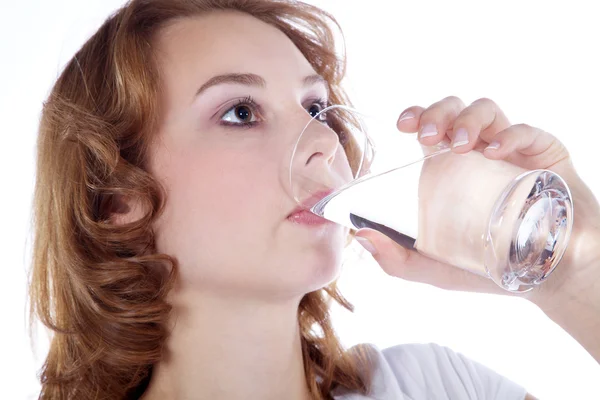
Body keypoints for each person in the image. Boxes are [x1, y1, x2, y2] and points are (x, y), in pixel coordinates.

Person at [27, 0, 600, 399]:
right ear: (117, 199)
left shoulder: (436, 387)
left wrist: (576, 274)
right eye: (241, 112)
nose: (324, 143)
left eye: (317, 109)